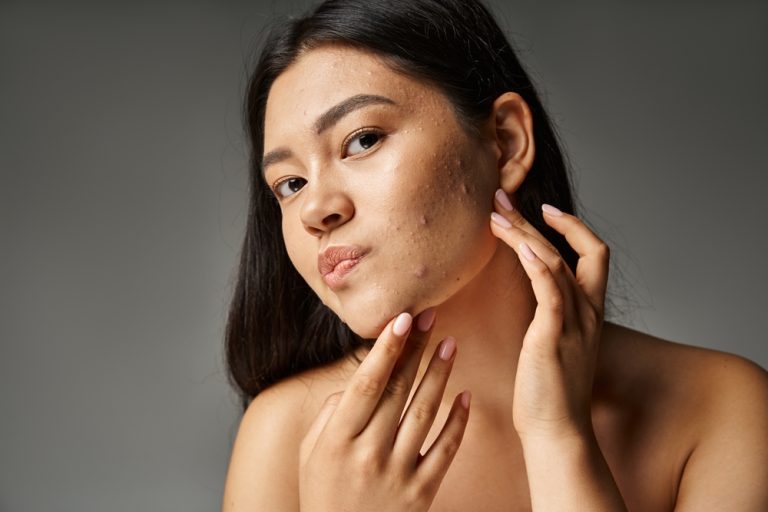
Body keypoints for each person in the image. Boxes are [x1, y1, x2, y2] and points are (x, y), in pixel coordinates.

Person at [221, 0, 768, 510]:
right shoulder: (282, 435)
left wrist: (558, 436)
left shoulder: (720, 408)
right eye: (289, 184)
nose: (315, 209)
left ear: (505, 142)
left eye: (362, 140)